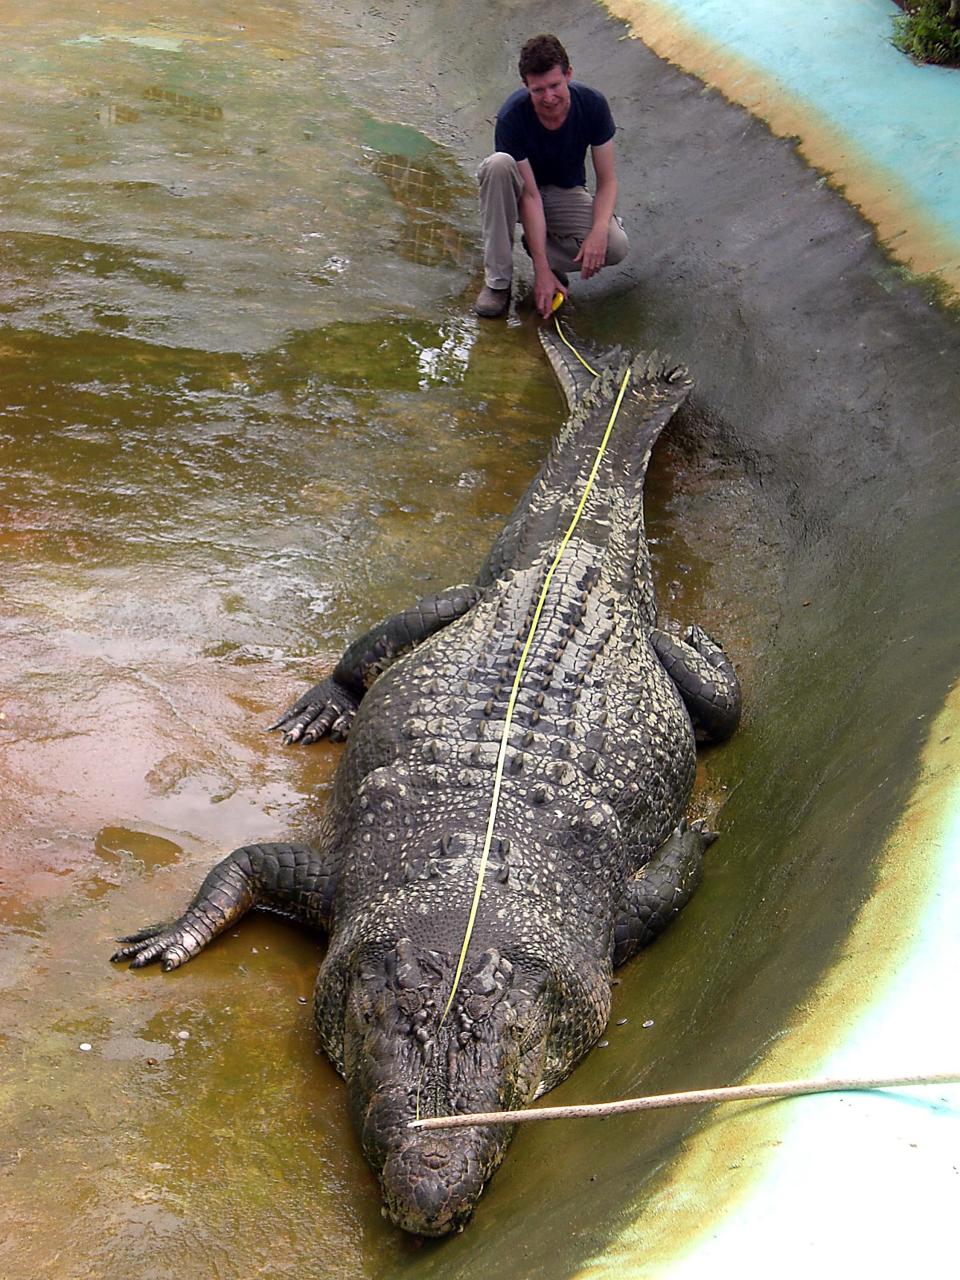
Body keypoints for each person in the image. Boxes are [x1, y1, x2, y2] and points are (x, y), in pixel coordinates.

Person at [475, 33, 629, 320]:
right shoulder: (512, 117)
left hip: (563, 192)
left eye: (555, 85)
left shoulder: (593, 105)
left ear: (568, 75)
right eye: (538, 90)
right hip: (519, 193)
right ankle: (498, 282)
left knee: (615, 245)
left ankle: (538, 249)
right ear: (526, 86)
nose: (548, 98)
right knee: (498, 165)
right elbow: (530, 196)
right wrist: (542, 274)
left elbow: (607, 181)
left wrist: (598, 229)